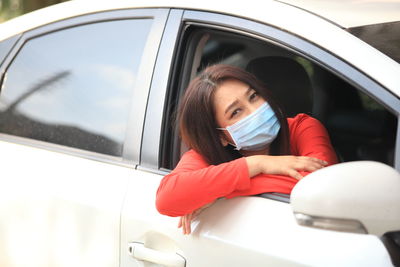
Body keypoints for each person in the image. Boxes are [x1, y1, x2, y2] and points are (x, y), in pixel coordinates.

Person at [156, 64, 338, 234]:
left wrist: (219, 193)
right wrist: (256, 164)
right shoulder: (204, 156)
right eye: (236, 112)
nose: (255, 109)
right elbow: (167, 198)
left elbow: (323, 186)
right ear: (220, 136)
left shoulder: (302, 127)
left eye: (253, 96)